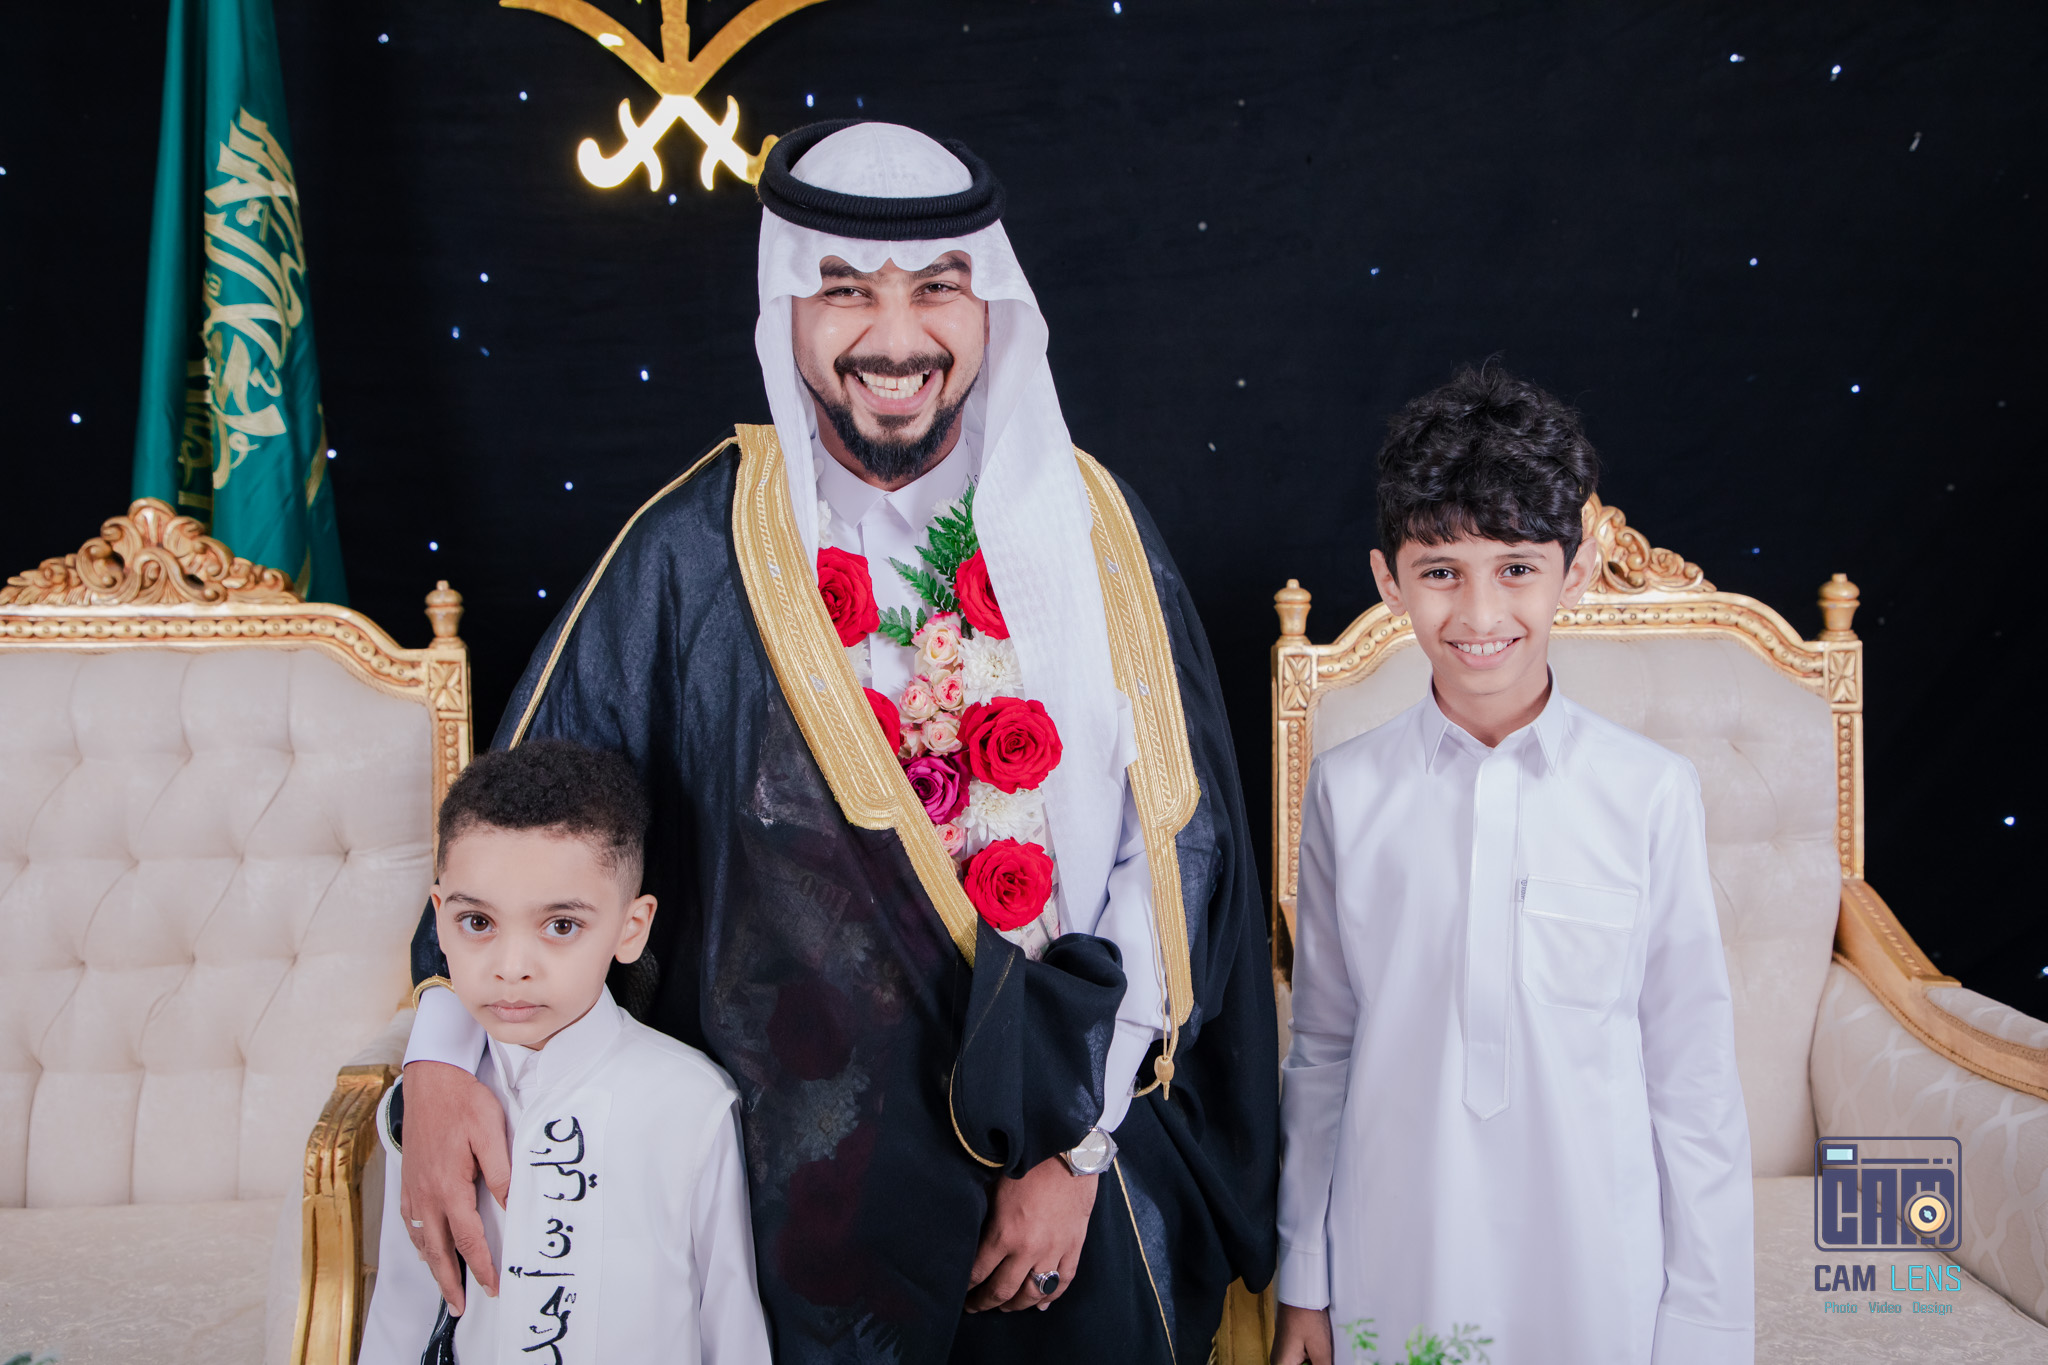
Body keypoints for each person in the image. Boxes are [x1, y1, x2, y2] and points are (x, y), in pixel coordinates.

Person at [396, 120, 1277, 1365]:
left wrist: (1073, 1152)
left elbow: (1172, 860)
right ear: (788, 310)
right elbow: (525, 831)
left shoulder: (1092, 535)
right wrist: (442, 1062)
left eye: (937, 288)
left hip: (1057, 1156)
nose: (895, 337)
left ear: (990, 305)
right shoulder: (697, 549)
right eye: (847, 290)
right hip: (784, 1191)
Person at [1271, 365, 1754, 1365]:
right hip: (1394, 1251)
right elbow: (1323, 1046)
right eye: (1441, 571)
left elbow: (1693, 1079)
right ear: (1388, 580)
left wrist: (1706, 1330)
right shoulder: (1347, 791)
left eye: (1517, 568)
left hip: (1594, 1264)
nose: (1479, 613)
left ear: (1574, 573)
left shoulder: (1649, 793)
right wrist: (1304, 1281)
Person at [360, 740, 771, 1365]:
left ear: (631, 928)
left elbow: (731, 1322)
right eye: (478, 923)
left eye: (560, 926)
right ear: (439, 919)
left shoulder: (693, 1103)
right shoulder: (420, 1106)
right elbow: (402, 1305)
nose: (512, 967)